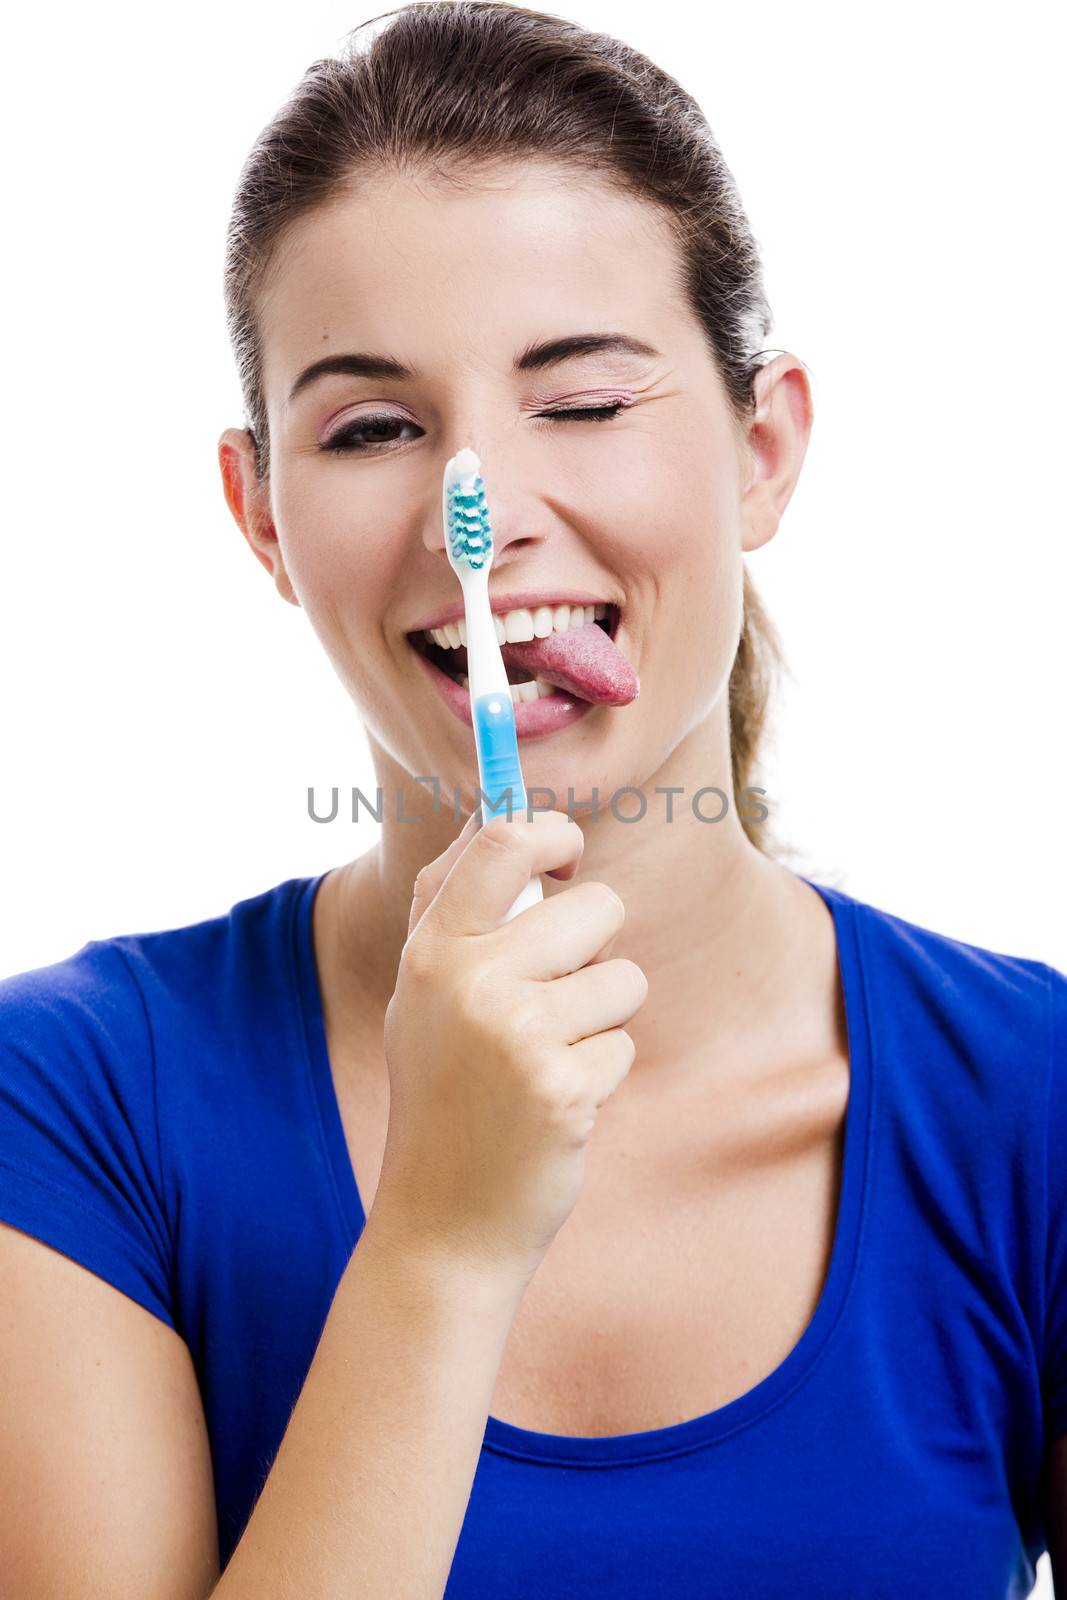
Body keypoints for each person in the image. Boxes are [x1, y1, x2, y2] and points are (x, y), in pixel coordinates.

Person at [1, 5, 1064, 1596]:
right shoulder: (70, 1108)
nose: (471, 515)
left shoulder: (1030, 1106)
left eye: (581, 401)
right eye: (372, 428)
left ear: (762, 448)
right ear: (263, 517)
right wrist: (441, 1242)